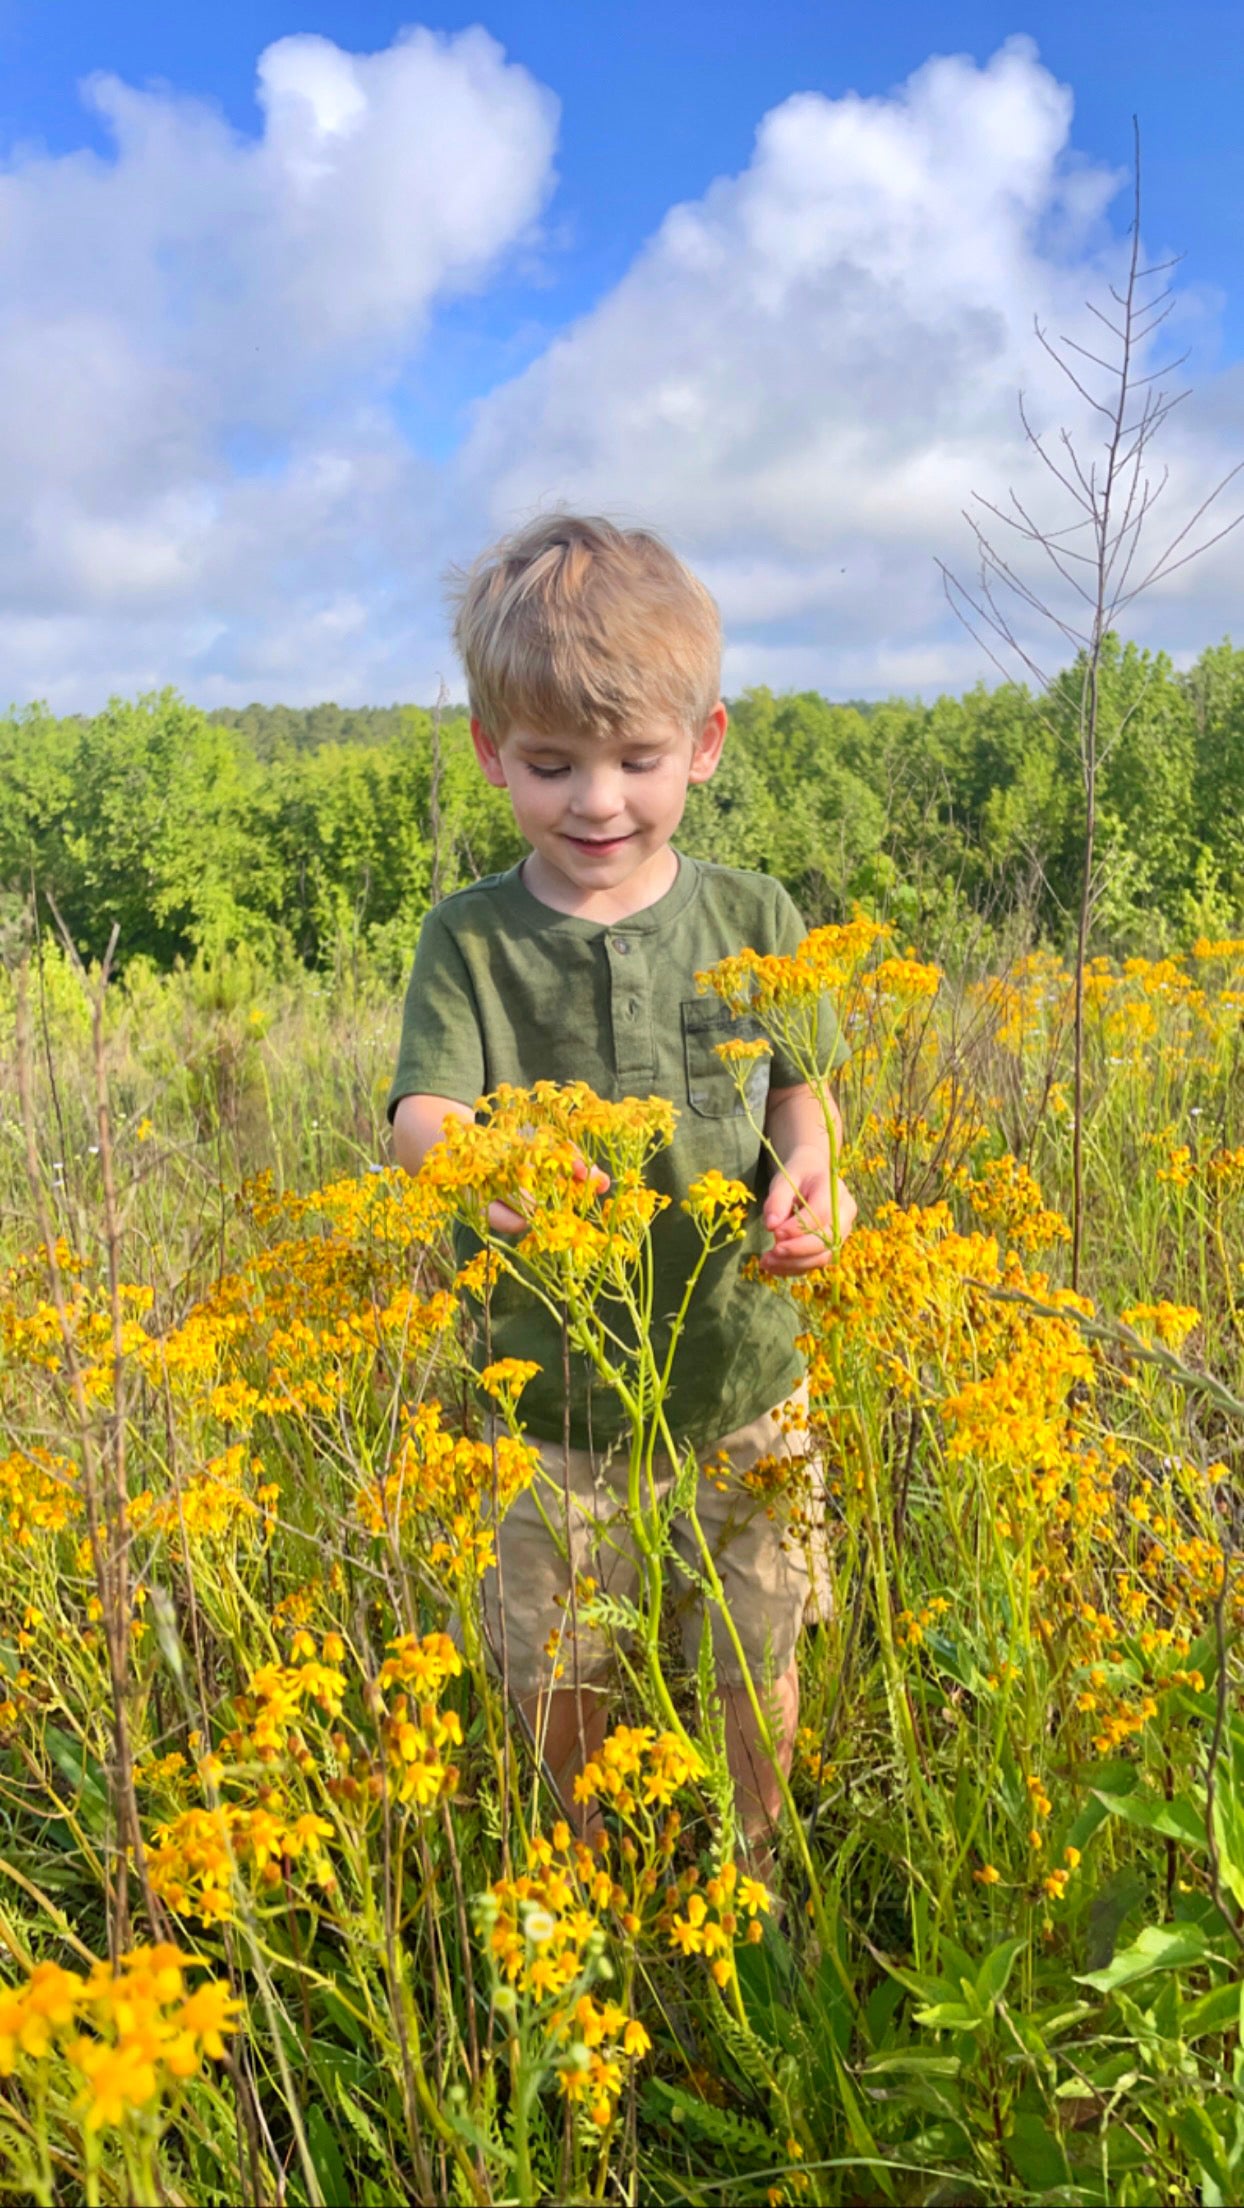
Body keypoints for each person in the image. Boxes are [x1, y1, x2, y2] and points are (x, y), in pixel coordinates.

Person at [388, 512, 856, 1860]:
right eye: (551, 766)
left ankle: (757, 1886)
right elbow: (422, 1114)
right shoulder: (469, 940)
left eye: (637, 760)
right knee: (566, 1677)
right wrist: (481, 1165)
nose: (597, 801)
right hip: (547, 1409)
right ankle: (585, 1896)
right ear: (492, 756)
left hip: (741, 1383)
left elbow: (798, 1099)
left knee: (753, 1659)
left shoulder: (755, 916)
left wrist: (815, 1177)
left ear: (702, 745)